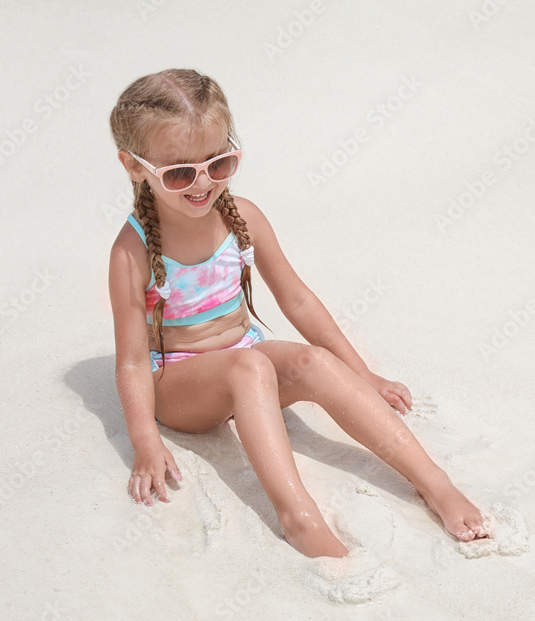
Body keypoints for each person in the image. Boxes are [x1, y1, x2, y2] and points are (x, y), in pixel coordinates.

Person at [107, 69, 489, 558]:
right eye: (179, 173)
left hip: (249, 365)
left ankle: (435, 483)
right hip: (182, 391)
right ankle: (298, 517)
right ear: (134, 166)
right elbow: (134, 362)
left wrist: (362, 374)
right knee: (249, 366)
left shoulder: (240, 216)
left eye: (219, 163)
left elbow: (298, 300)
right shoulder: (131, 252)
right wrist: (144, 440)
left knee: (310, 361)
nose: (202, 183)